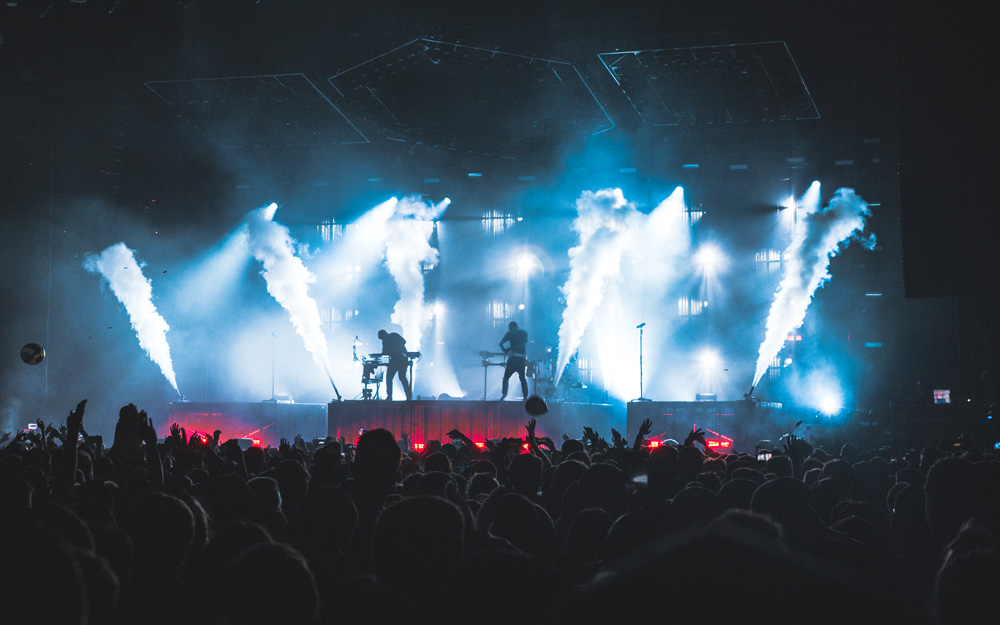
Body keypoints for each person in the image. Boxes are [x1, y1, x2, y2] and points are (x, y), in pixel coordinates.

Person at [378, 329, 412, 401]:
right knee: (397, 377)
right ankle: (391, 396)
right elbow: (384, 351)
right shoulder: (385, 341)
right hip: (396, 359)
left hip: (401, 358)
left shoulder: (393, 335)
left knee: (399, 377)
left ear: (383, 335)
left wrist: (395, 350)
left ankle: (408, 396)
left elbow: (403, 341)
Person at [499, 321, 529, 400]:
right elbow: (523, 344)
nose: (511, 330)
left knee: (518, 378)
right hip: (518, 359)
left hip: (515, 359)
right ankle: (524, 396)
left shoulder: (515, 333)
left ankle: (505, 395)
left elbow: (501, 344)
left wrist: (507, 349)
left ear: (515, 327)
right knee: (520, 378)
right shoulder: (521, 333)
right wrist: (506, 349)